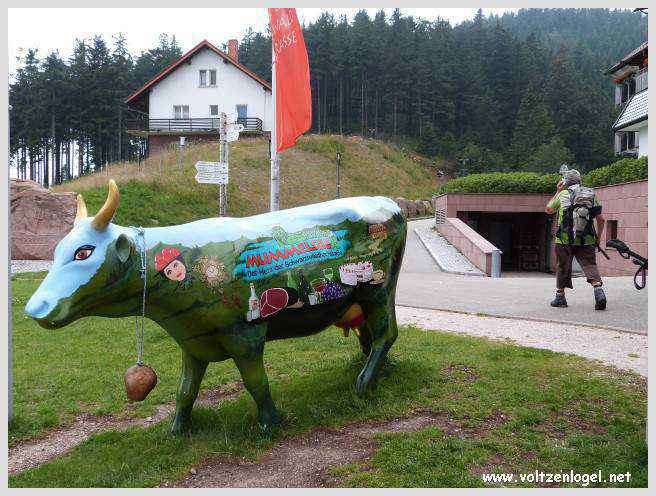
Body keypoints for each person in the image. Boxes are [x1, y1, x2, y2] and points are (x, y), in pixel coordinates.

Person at [545, 169, 607, 310]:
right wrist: (598, 238)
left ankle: (560, 297)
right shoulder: (591, 195)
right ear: (580, 181)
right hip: (586, 238)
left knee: (563, 266)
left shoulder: (563, 194)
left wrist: (557, 191)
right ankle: (598, 290)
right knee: (590, 264)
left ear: (565, 182)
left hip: (564, 239)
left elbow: (548, 209)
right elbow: (601, 219)